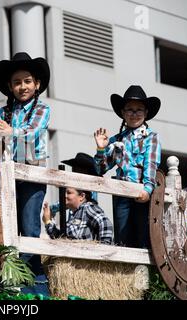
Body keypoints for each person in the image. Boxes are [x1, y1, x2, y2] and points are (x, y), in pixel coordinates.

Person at [0, 52, 51, 295]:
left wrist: (9, 131)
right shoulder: (3, 113)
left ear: (36, 84)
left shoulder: (42, 109)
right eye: (17, 82)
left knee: (29, 228)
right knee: (7, 229)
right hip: (6, 177)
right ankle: (9, 281)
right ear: (10, 87)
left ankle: (35, 284)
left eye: (27, 81)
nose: (22, 86)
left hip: (30, 174)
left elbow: (32, 130)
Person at [93, 85, 161, 249]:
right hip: (121, 193)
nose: (134, 114)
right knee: (123, 239)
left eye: (139, 110)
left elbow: (151, 164)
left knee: (143, 238)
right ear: (123, 113)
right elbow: (100, 170)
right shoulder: (116, 140)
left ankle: (144, 274)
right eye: (129, 110)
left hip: (141, 193)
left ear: (146, 114)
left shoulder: (151, 137)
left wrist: (147, 189)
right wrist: (101, 148)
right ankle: (127, 273)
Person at [42, 188, 113, 244]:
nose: (64, 195)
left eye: (69, 193)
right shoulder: (74, 214)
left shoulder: (88, 207)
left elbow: (106, 223)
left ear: (81, 196)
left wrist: (104, 248)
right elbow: (61, 238)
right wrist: (47, 221)